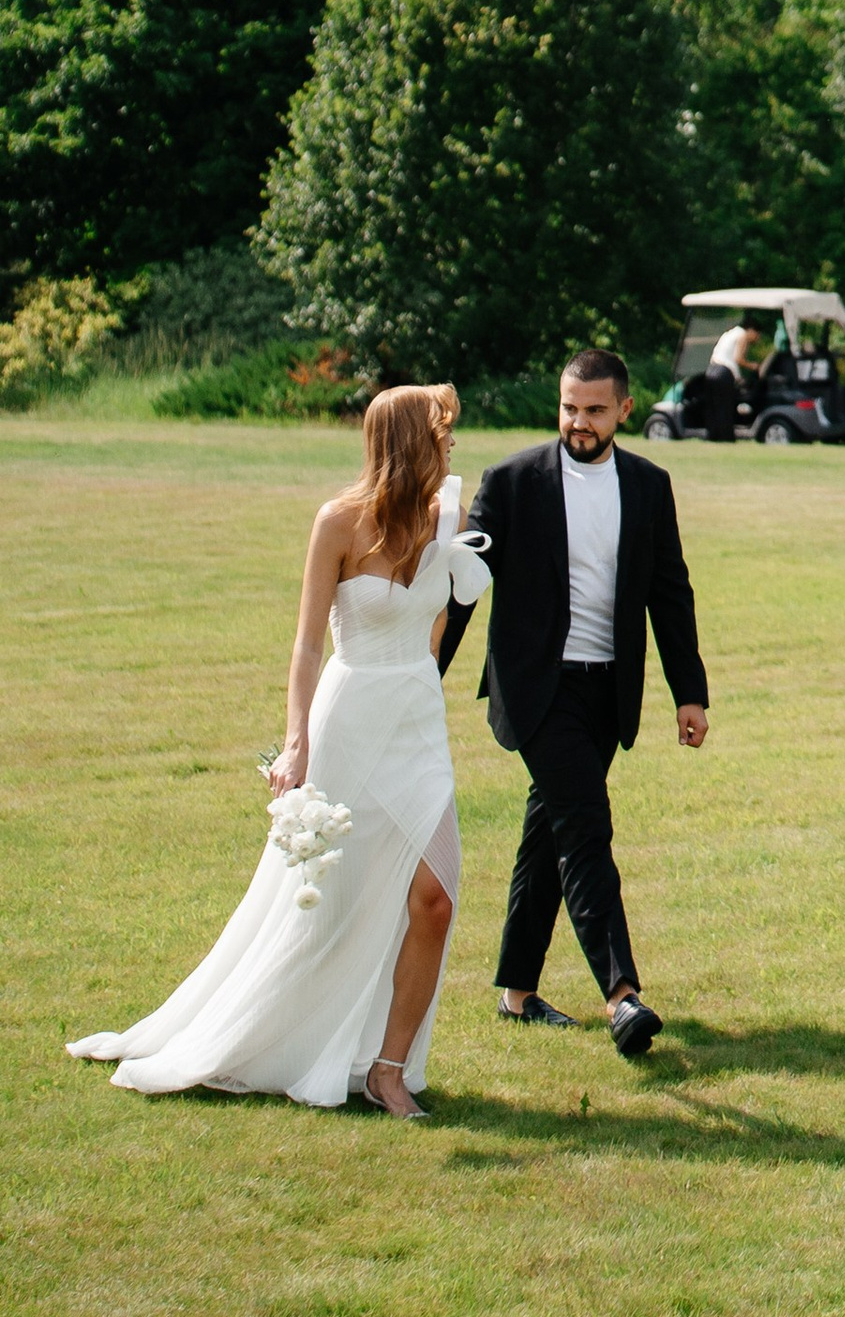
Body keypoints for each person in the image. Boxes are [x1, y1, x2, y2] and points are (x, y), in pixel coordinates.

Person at [70, 383, 487, 1118]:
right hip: (349, 716)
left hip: (417, 720)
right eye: (441, 430)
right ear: (405, 441)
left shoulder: (447, 512)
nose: (452, 442)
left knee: (435, 900)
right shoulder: (338, 522)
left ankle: (389, 1068)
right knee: (321, 903)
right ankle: (268, 1035)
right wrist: (296, 744)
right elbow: (303, 646)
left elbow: (435, 629)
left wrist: (420, 677)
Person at [441, 345, 709, 1059]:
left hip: (607, 690)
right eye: (569, 408)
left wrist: (691, 693)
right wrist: (421, 673)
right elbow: (462, 592)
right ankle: (622, 996)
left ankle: (517, 993)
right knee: (586, 829)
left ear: (624, 409)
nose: (579, 422)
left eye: (594, 410)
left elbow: (669, 592)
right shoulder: (513, 482)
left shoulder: (649, 485)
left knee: (549, 832)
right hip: (537, 689)